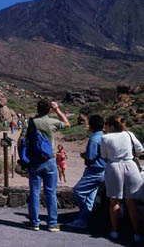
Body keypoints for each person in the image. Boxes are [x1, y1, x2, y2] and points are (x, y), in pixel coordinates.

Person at [18, 99, 70, 232]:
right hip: (50, 161)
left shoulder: (29, 122)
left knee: (34, 193)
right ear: (48, 110)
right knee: (51, 193)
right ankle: (52, 224)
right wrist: (57, 109)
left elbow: (20, 141)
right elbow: (67, 123)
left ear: (37, 109)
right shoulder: (51, 122)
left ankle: (34, 223)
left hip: (34, 162)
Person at [100, 115, 143, 241]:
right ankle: (137, 233)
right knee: (131, 201)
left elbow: (104, 156)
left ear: (111, 126)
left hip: (114, 166)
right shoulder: (129, 134)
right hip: (130, 165)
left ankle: (115, 230)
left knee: (114, 201)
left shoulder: (105, 138)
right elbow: (140, 150)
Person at [67, 115, 106, 229]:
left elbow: (91, 156)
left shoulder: (94, 138)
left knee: (78, 191)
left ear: (91, 126)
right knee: (90, 196)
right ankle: (84, 219)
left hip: (94, 170)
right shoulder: (104, 136)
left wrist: (83, 155)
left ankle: (86, 216)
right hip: (104, 170)